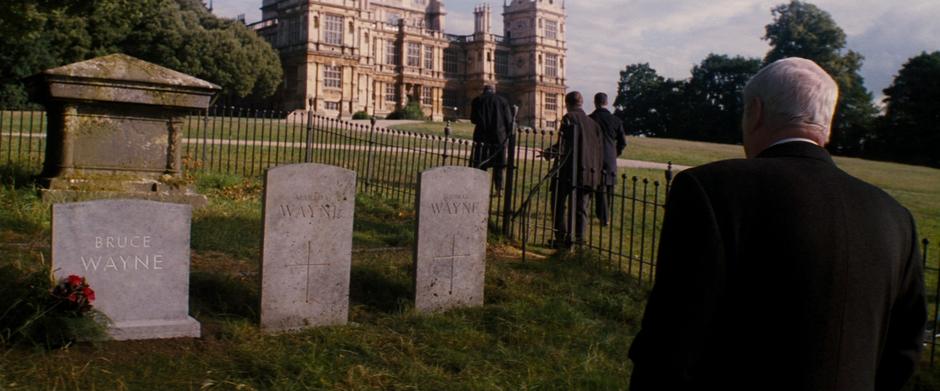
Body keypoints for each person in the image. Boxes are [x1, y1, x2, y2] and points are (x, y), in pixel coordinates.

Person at [628, 57, 927, 390]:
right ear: (826, 125)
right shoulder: (896, 217)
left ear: (755, 111)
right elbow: (904, 351)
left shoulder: (710, 190)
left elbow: (671, 342)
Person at [548, 91, 604, 248]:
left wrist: (548, 153)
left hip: (568, 171)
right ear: (581, 103)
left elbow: (563, 146)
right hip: (589, 172)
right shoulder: (594, 124)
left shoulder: (569, 118)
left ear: (567, 103)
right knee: (581, 208)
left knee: (558, 203)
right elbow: (599, 152)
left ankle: (561, 237)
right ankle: (578, 241)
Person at [589, 92, 627, 226]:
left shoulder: (590, 119)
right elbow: (622, 142)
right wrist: (616, 153)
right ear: (606, 102)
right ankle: (605, 215)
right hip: (610, 157)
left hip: (595, 156)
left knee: (600, 188)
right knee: (609, 187)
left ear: (595, 102)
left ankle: (603, 216)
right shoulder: (616, 120)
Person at [470, 85, 514, 192]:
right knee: (499, 164)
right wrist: (509, 135)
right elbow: (509, 121)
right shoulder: (502, 101)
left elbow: (473, 119)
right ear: (494, 91)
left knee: (481, 162)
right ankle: (499, 188)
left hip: (482, 136)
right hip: (499, 137)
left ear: (484, 91)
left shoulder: (477, 100)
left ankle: (480, 187)